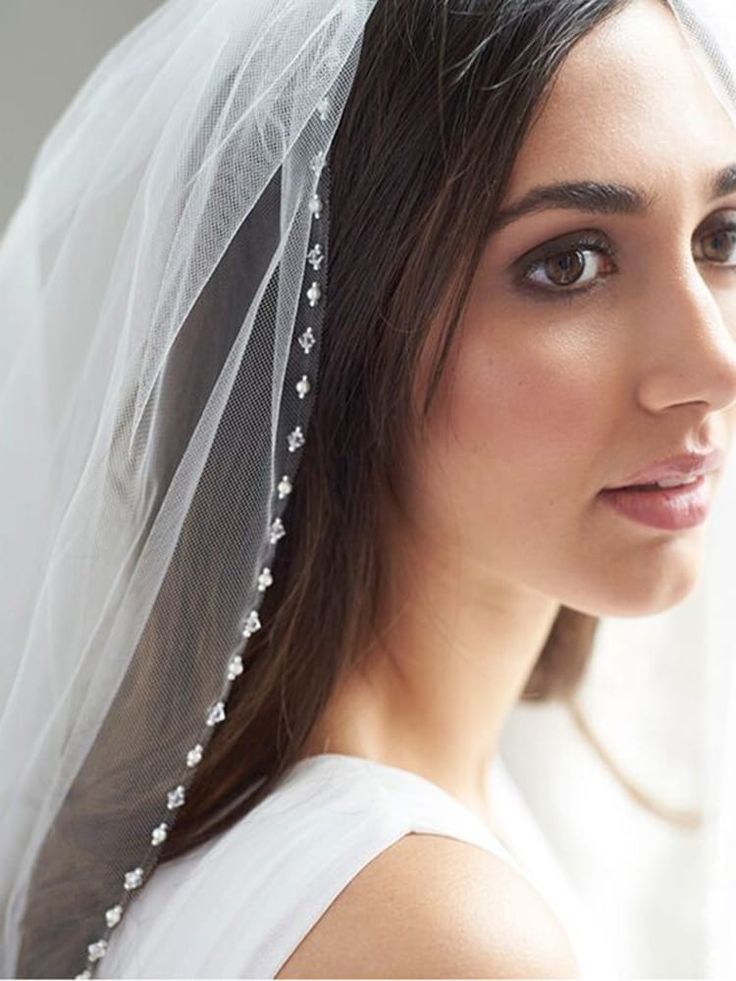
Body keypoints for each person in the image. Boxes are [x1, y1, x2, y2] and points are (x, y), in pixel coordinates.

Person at [2, 0, 736, 977]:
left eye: (723, 237)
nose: (712, 363)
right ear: (344, 322)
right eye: (568, 263)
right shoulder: (434, 929)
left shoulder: (269, 829)